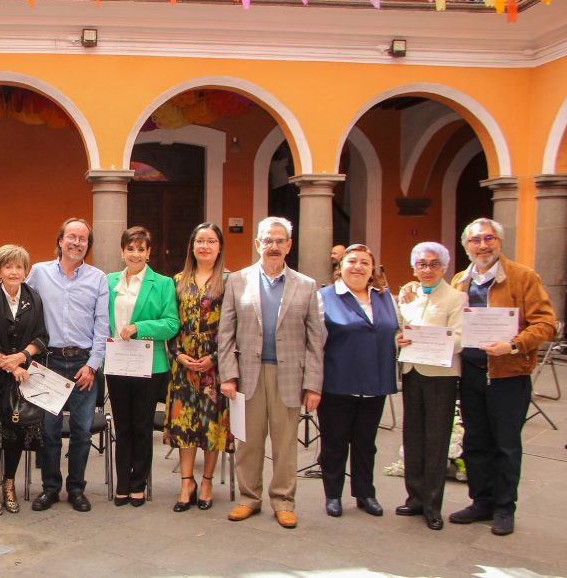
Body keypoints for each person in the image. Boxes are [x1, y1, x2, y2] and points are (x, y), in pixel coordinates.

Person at [445, 218, 556, 536]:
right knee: (475, 442)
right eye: (475, 240)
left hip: (508, 375)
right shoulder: (459, 282)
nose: (482, 245)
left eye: (488, 238)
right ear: (466, 247)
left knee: (506, 445)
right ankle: (481, 502)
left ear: (499, 242)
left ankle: (505, 508)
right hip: (472, 374)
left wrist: (511, 344)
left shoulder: (523, 277)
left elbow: (546, 324)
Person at [218, 217, 324, 529]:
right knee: (248, 441)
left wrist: (314, 384)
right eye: (268, 240)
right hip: (248, 373)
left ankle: (283, 501)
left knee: (285, 442)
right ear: (257, 244)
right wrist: (228, 374)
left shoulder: (306, 285)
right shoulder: (237, 281)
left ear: (289, 245)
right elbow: (226, 332)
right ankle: (249, 498)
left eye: (280, 241)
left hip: (289, 373)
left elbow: (316, 338)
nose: (273, 246)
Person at [28, 218, 110, 513]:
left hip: (82, 364)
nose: (77, 243)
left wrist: (93, 366)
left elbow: (103, 326)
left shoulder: (98, 278)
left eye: (83, 239)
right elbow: (17, 298)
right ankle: (50, 488)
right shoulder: (38, 272)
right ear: (60, 240)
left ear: (88, 244)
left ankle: (76, 488)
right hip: (48, 362)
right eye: (71, 237)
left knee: (82, 431)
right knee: (48, 430)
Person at [316, 244, 401, 518]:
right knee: (334, 442)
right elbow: (315, 341)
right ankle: (333, 495)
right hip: (337, 383)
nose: (358, 267)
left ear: (372, 269)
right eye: (352, 261)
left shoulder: (384, 297)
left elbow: (395, 330)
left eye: (365, 262)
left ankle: (365, 493)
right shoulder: (324, 297)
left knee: (366, 443)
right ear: (340, 267)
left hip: (374, 383)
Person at [0, 244, 48, 515]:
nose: (14, 271)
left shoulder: (34, 298)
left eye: (19, 266)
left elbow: (41, 337)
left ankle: (9, 483)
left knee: (15, 433)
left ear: (26, 270)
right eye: (8, 266)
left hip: (23, 379)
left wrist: (23, 356)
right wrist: (12, 366)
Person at [394, 241, 467, 531]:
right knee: (412, 436)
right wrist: (398, 340)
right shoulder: (407, 295)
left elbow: (461, 338)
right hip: (412, 371)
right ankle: (414, 497)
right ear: (414, 267)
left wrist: (432, 340)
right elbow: (400, 329)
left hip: (440, 375)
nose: (427, 269)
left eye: (434, 264)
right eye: (422, 264)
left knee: (436, 439)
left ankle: (432, 505)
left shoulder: (455, 298)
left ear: (444, 267)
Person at [106, 227, 179, 507]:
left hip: (149, 365)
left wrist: (139, 327)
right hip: (117, 363)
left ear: (149, 253)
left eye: (141, 249)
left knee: (141, 426)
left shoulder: (162, 284)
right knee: (122, 427)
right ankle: (122, 484)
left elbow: (171, 324)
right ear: (122, 251)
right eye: (130, 248)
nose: (135, 254)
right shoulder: (109, 280)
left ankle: (139, 484)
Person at [164, 222, 232, 512]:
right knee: (184, 425)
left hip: (214, 366)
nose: (205, 246)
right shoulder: (177, 281)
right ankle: (186, 482)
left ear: (219, 247)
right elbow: (169, 322)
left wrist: (214, 358)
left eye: (211, 241)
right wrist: (177, 354)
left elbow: (234, 327)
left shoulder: (230, 281)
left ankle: (206, 482)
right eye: (200, 241)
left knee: (211, 426)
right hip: (183, 365)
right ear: (192, 246)